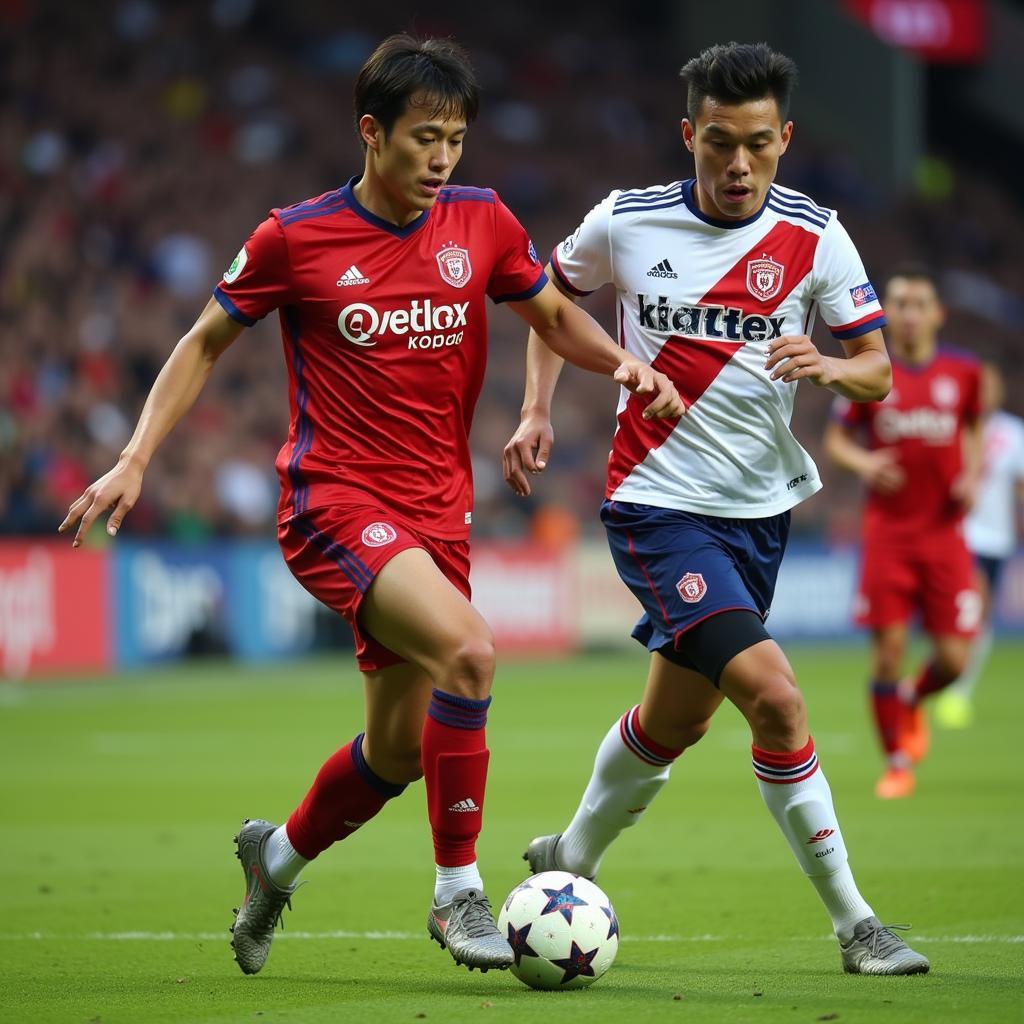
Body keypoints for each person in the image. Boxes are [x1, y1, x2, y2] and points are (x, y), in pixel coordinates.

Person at [58, 34, 682, 976]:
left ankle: (274, 862)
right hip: (333, 501)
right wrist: (137, 457)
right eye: (425, 137)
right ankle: (458, 897)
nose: (442, 159)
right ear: (370, 132)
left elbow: (552, 314)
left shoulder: (482, 222)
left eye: (457, 140)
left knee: (397, 752)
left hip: (438, 514)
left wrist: (621, 363)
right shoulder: (295, 236)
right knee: (471, 654)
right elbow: (200, 344)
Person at [503, 41, 929, 975]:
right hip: (656, 504)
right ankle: (857, 924)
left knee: (676, 723)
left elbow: (879, 372)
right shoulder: (626, 221)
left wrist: (833, 365)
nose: (739, 166)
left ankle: (568, 860)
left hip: (759, 510)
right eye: (721, 144)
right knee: (776, 699)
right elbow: (545, 300)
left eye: (760, 146)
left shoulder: (817, 237)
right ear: (689, 134)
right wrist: (536, 407)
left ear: (787, 140)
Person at [825, 267, 982, 799]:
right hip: (889, 534)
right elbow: (837, 439)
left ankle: (914, 696)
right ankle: (896, 762)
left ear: (936, 314)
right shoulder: (872, 375)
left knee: (955, 663)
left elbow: (976, 427)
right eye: (901, 304)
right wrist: (866, 466)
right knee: (888, 651)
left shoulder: (964, 374)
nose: (910, 314)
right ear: (887, 313)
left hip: (945, 534)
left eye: (920, 304)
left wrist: (972, 474)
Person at [934, 362, 1024, 728]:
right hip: (959, 532)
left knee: (978, 619)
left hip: (998, 538)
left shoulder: (1014, 433)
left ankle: (955, 683)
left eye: (992, 385)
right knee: (975, 601)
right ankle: (954, 689)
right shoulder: (952, 426)